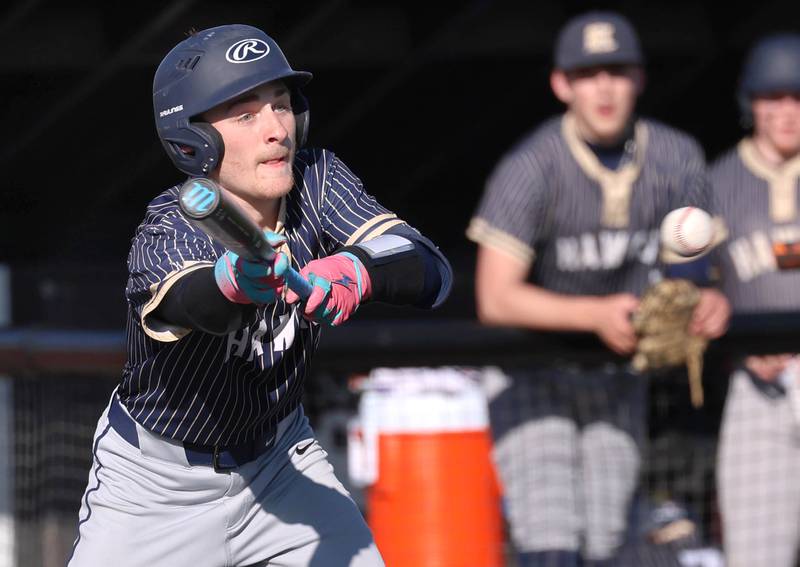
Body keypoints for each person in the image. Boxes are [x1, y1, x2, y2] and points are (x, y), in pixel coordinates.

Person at [67, 24, 452, 567]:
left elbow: (430, 269)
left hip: (281, 466)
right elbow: (191, 301)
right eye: (246, 115)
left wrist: (356, 269)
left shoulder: (317, 180)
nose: (277, 129)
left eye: (281, 105)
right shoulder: (168, 223)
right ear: (192, 138)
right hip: (156, 489)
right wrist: (235, 283)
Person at [466, 11, 729, 567]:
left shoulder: (676, 156)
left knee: (607, 541)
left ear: (639, 78)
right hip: (532, 372)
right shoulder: (533, 165)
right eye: (588, 74)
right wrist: (593, 313)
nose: (604, 87)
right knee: (551, 540)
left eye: (617, 70)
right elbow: (494, 297)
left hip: (614, 376)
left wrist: (705, 296)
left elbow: (695, 269)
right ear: (562, 84)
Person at [713, 33, 800, 567]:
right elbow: (688, 292)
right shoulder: (715, 182)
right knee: (755, 556)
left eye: (799, 98)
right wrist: (738, 345)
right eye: (774, 98)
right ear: (752, 105)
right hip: (755, 389)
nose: (787, 112)